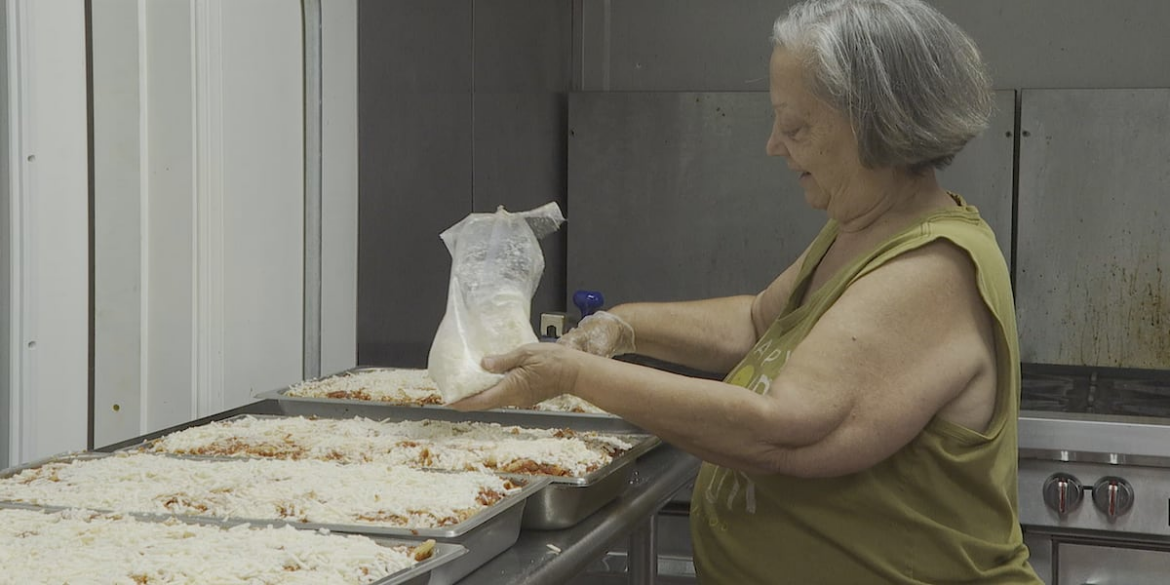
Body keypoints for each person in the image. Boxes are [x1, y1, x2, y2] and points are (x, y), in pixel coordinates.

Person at [453, 0, 1042, 582]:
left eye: (795, 125)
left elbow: (780, 432)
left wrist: (573, 375)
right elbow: (760, 323)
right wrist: (622, 326)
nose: (773, 145)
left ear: (873, 123)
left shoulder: (932, 266)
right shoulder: (859, 228)